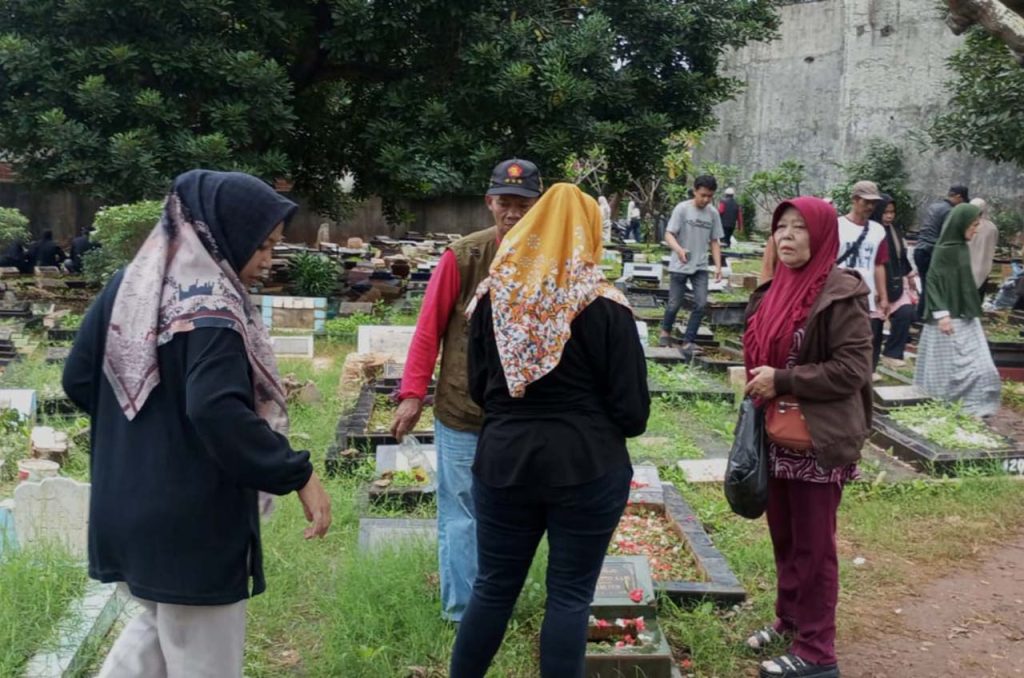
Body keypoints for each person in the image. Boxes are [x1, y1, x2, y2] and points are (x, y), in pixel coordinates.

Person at [61, 170, 332, 678]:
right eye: (262, 245)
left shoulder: (131, 285)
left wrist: (143, 438)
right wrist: (298, 473)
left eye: (274, 246)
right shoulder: (212, 309)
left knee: (155, 631)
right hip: (192, 523)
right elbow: (216, 411)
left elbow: (78, 379)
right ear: (222, 233)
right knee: (204, 661)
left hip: (126, 508)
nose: (268, 260)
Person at [449, 183, 649, 677]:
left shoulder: (493, 296)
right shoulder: (606, 306)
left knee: (493, 587)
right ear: (589, 233)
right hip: (586, 465)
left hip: (504, 462)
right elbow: (632, 413)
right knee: (570, 596)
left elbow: (479, 388)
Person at [391, 158, 542, 624]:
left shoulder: (550, 259)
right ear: (489, 202)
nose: (513, 213)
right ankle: (462, 611)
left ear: (538, 207)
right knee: (461, 512)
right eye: (505, 202)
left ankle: (498, 600)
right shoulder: (463, 257)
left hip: (524, 415)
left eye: (523, 204)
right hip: (462, 409)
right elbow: (428, 328)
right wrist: (413, 394)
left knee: (514, 511)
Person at [743, 196, 872, 678]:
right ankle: (791, 620)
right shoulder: (774, 289)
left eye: (799, 227)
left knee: (815, 547)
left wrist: (784, 380)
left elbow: (853, 370)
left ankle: (818, 651)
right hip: (776, 435)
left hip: (817, 440)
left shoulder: (841, 293)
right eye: (781, 227)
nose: (788, 236)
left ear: (821, 236)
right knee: (785, 537)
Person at [915, 203, 1002, 417]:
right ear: (960, 224)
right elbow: (933, 281)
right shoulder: (945, 250)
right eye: (973, 225)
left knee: (982, 368)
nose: (976, 229)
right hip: (947, 319)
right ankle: (945, 406)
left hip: (965, 317)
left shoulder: (961, 248)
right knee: (946, 370)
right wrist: (942, 314)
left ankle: (972, 404)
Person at [659, 175, 724, 351]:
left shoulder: (713, 213)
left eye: (710, 196)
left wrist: (718, 266)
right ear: (695, 191)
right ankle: (665, 332)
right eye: (703, 195)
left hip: (700, 266)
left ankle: (688, 340)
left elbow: (714, 241)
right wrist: (679, 250)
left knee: (701, 304)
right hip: (680, 265)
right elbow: (669, 234)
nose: (706, 199)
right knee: (674, 303)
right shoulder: (682, 209)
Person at [836, 181, 888, 377]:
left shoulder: (878, 230)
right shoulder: (837, 226)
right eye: (866, 202)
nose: (870, 206)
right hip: (840, 291)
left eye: (873, 203)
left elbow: (879, 263)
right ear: (855, 200)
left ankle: (860, 375)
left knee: (864, 338)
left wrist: (883, 296)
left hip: (865, 293)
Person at [871, 195, 917, 368]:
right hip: (875, 285)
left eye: (892, 212)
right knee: (875, 328)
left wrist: (910, 276)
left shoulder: (894, 231)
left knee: (905, 313)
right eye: (885, 212)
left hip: (895, 283)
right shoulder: (871, 231)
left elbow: (901, 257)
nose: (889, 216)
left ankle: (892, 353)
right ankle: (870, 367)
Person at [915, 185, 969, 318]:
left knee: (926, 285)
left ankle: (920, 315)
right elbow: (948, 235)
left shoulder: (934, 207)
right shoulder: (950, 212)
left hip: (920, 250)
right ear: (958, 197)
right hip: (932, 252)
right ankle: (923, 316)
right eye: (962, 201)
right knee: (933, 287)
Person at [968, 198, 998, 301]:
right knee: (977, 299)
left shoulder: (967, 225)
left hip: (966, 267)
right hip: (983, 268)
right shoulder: (992, 227)